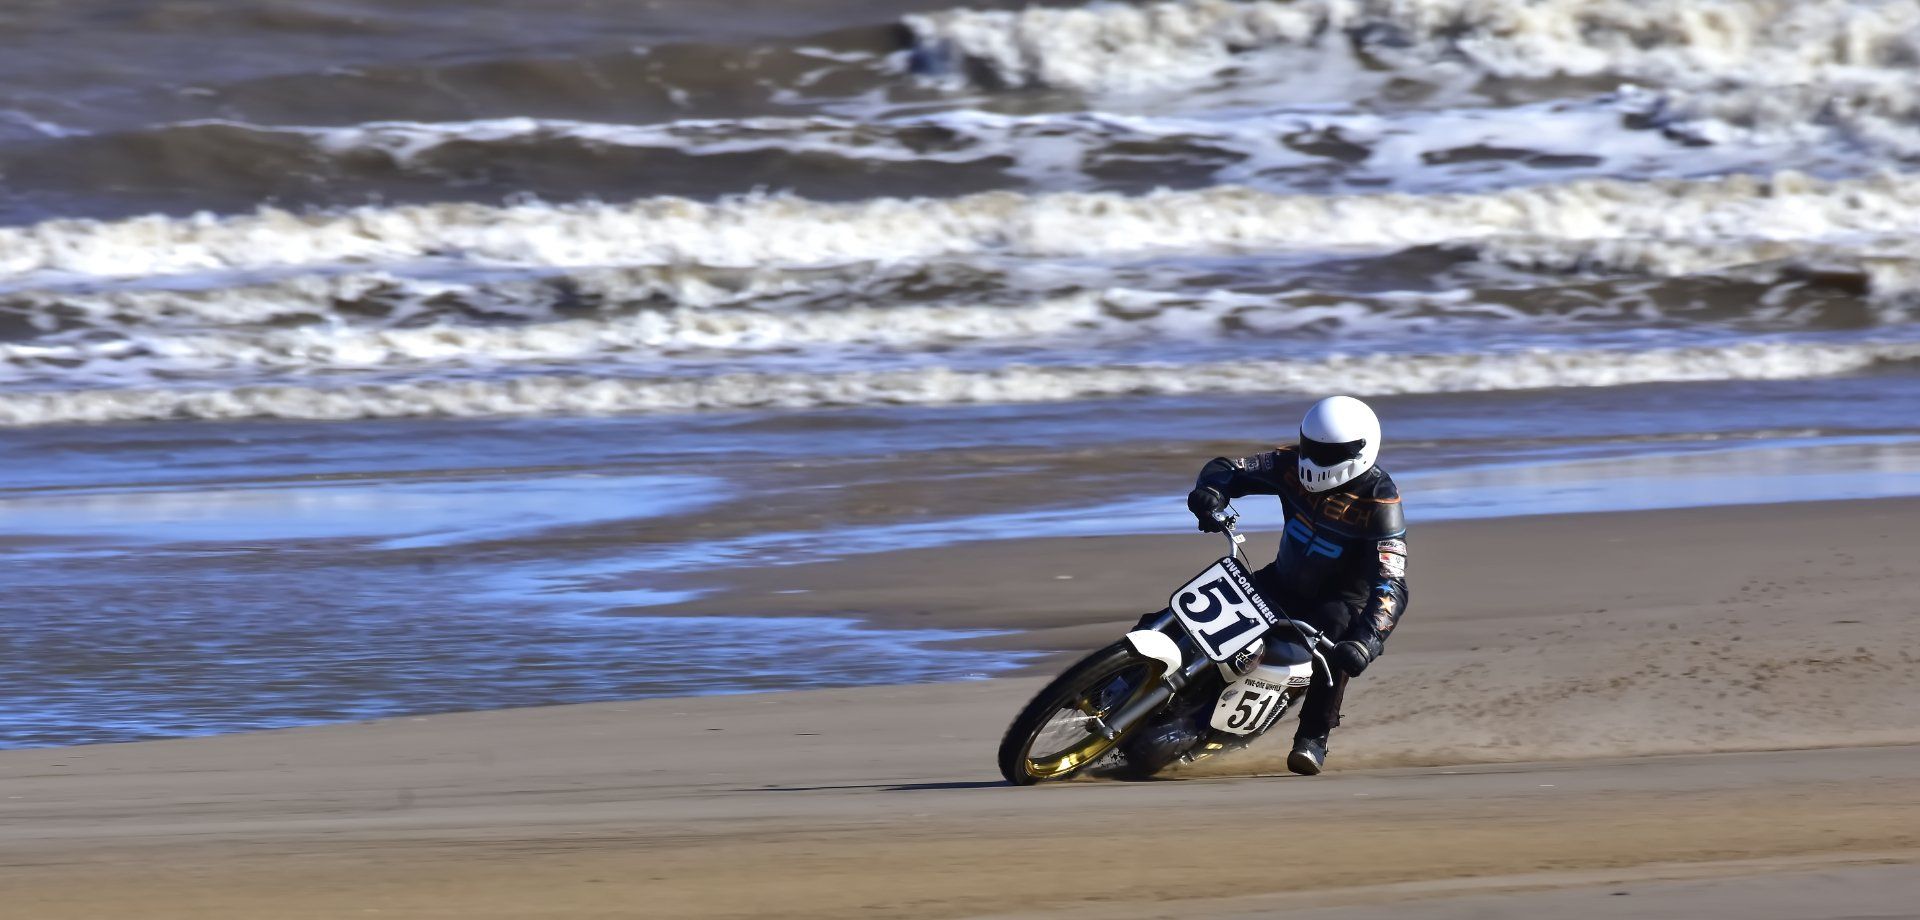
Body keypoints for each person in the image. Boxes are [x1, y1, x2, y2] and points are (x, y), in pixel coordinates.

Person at [1186, 395, 1409, 775]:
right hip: (1279, 580)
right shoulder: (1288, 463)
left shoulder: (1381, 502)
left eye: (1329, 453)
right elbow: (1227, 467)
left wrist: (1366, 644)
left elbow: (1392, 586)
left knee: (1342, 640)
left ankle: (1313, 736)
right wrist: (1213, 490)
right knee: (1195, 611)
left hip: (1335, 604)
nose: (1315, 459)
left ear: (1360, 451)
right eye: (1312, 448)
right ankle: (1131, 663)